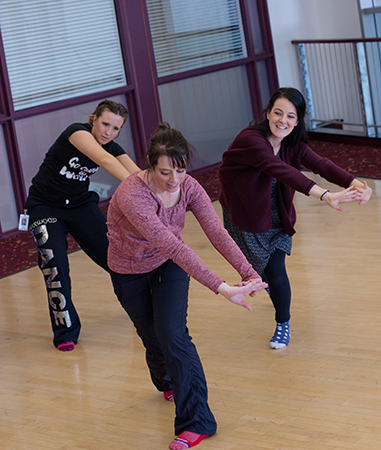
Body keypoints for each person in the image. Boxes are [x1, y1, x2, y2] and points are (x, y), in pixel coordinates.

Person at [106, 123, 268, 450]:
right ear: (150, 163)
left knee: (173, 335)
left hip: (168, 266)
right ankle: (166, 380)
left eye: (180, 171)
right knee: (151, 334)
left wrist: (248, 272)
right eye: (165, 172)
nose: (174, 180)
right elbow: (171, 244)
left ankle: (196, 422)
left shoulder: (188, 186)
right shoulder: (132, 194)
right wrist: (221, 287)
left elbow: (217, 232)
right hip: (128, 270)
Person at [219, 87, 372, 350]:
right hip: (245, 216)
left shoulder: (292, 145)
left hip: (278, 217)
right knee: (259, 271)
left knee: (277, 272)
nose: (283, 121)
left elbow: (321, 164)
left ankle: (282, 324)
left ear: (297, 121)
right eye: (278, 113)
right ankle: (270, 288)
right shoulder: (251, 140)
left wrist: (357, 183)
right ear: (268, 113)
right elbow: (280, 170)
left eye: (290, 116)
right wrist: (325, 195)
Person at [25, 100, 140, 352]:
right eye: (104, 124)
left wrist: (155, 191)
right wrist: (136, 186)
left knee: (116, 258)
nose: (108, 132)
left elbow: (137, 173)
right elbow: (103, 159)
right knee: (55, 268)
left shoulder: (113, 146)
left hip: (80, 205)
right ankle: (65, 331)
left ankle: (140, 310)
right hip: (45, 207)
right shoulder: (77, 133)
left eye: (115, 128)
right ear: (94, 119)